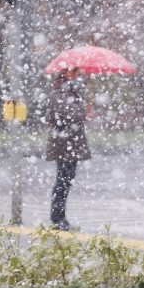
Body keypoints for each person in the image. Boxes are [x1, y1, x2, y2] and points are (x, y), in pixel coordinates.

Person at [45, 66, 91, 231]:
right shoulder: (59, 92)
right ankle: (57, 218)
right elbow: (64, 116)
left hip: (69, 144)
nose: (77, 74)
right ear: (64, 73)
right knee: (63, 181)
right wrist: (83, 114)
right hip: (64, 145)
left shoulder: (70, 91)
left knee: (66, 180)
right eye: (74, 71)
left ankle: (59, 217)